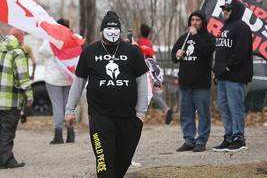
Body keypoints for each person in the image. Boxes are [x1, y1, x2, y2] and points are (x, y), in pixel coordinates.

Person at [64, 11, 150, 178]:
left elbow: (142, 83)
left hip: (129, 117)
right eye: (108, 28)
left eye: (115, 28)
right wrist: (69, 109)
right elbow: (78, 83)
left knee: (124, 160)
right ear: (101, 31)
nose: (112, 32)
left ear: (120, 31)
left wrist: (140, 113)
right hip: (100, 116)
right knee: (104, 160)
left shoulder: (133, 52)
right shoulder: (89, 52)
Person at [212, 0, 253, 152]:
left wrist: (227, 68)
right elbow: (222, 53)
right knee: (224, 108)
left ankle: (239, 139)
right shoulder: (224, 28)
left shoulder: (241, 27)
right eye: (223, 9)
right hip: (222, 77)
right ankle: (229, 138)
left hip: (236, 78)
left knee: (235, 108)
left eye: (228, 9)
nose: (225, 11)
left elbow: (240, 52)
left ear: (235, 11)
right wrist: (216, 69)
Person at [171, 10, 215, 152]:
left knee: (203, 114)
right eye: (192, 20)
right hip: (185, 84)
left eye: (197, 20)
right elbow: (173, 56)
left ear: (203, 22)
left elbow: (206, 51)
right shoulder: (184, 38)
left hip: (201, 85)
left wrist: (195, 36)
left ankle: (201, 141)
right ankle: (189, 140)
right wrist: (177, 55)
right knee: (186, 114)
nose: (194, 23)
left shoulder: (208, 38)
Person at [0, 27, 33, 169]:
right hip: (11, 100)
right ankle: (6, 160)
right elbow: (22, 79)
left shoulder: (1, 50)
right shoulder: (18, 53)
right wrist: (29, 96)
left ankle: (3, 158)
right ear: (21, 39)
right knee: (8, 131)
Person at [39, 17, 75, 144]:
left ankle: (58, 135)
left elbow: (42, 52)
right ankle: (71, 134)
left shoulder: (51, 40)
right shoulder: (73, 38)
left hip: (53, 78)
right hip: (69, 77)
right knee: (69, 106)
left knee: (57, 106)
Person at [137, 23, 173, 125]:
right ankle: (166, 109)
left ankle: (141, 114)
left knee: (148, 93)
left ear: (140, 31)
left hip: (143, 70)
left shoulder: (138, 42)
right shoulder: (150, 43)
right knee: (152, 93)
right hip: (151, 69)